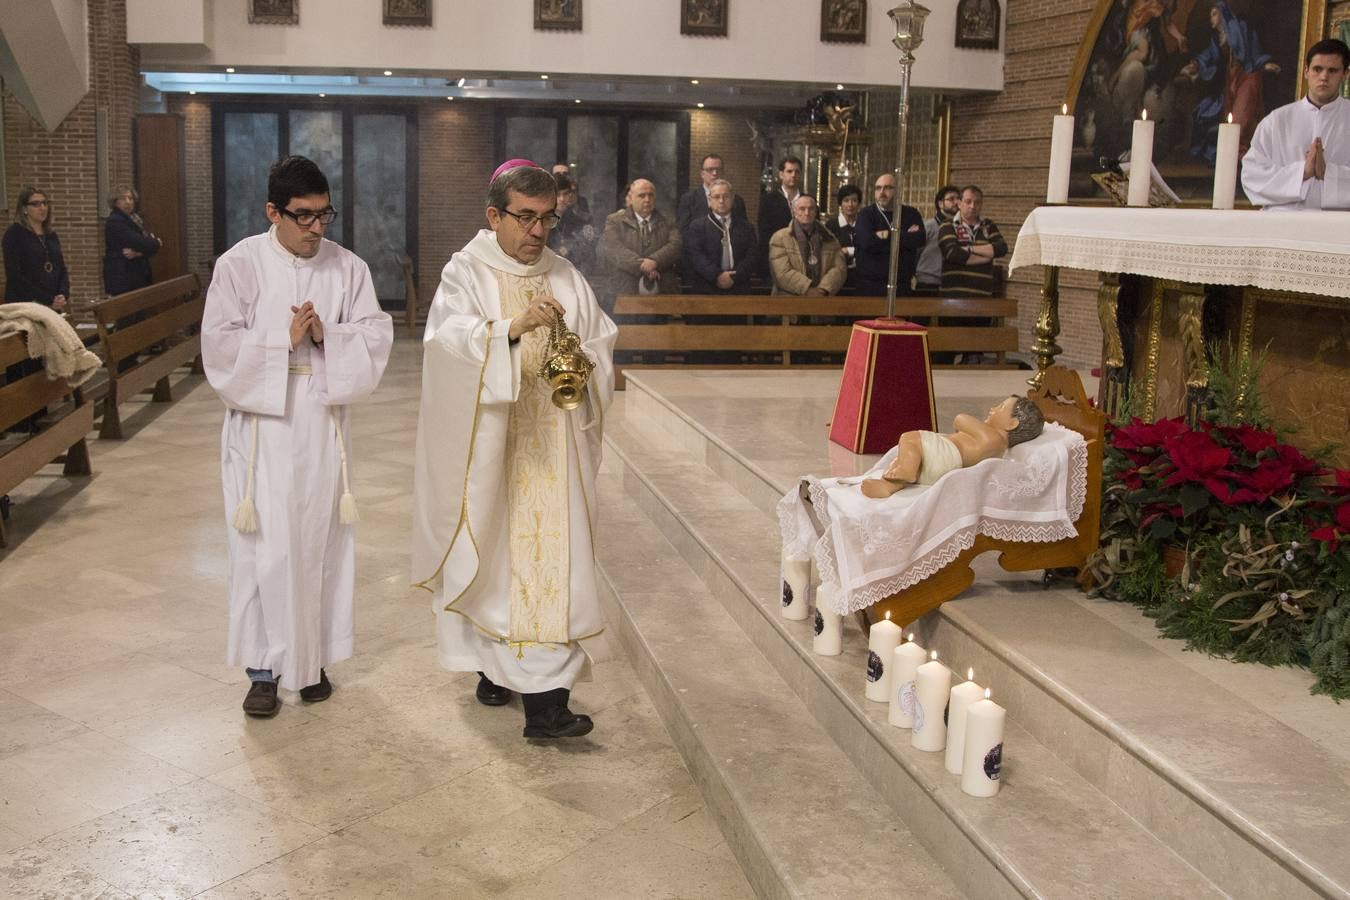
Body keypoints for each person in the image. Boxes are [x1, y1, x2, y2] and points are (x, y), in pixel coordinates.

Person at [411, 160, 617, 740]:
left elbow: (600, 339)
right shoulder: (466, 272)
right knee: (494, 563)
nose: (537, 233)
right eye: (524, 219)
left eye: (547, 219)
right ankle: (493, 667)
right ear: (493, 216)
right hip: (492, 453)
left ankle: (546, 706)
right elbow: (446, 346)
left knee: (546, 569)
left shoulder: (567, 274)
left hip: (554, 448)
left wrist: (583, 359)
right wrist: (510, 329)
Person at [202, 155, 393, 718]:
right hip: (261, 427)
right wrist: (280, 341)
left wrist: (326, 333)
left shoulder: (348, 267)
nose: (316, 228)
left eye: (324, 215)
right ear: (273, 212)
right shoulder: (238, 265)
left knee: (319, 544)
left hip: (319, 421)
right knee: (264, 545)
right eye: (303, 217)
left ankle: (312, 662)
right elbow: (217, 346)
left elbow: (375, 336)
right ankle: (263, 670)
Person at [860, 396, 1045, 498]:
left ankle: (906, 471)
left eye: (1000, 407)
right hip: (943, 464)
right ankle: (890, 485)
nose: (992, 409)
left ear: (1011, 424)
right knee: (908, 458)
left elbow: (960, 419)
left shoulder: (994, 438)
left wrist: (963, 426)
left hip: (947, 456)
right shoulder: (996, 446)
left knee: (910, 438)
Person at [1242, 39, 1350, 210]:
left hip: (1340, 229)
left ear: (1345, 74)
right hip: (1283, 226)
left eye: (1332, 70)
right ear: (1306, 71)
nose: (1324, 77)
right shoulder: (1276, 121)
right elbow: (1252, 177)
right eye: (1317, 69)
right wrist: (1303, 173)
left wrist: (1328, 173)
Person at [1180, 1, 1279, 163]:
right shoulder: (1218, 37)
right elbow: (1209, 55)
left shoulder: (1239, 27)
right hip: (1231, 79)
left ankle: (1239, 156)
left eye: (1214, 14)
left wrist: (1263, 63)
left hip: (1248, 76)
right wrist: (1196, 64)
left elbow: (1252, 47)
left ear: (1222, 12)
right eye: (1210, 15)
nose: (1211, 18)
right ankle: (1229, 157)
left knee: (1242, 117)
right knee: (1222, 117)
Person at [597, 178, 681, 302]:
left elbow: (676, 245)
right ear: (630, 198)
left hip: (660, 291)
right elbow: (612, 248)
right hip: (624, 291)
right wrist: (641, 265)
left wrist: (654, 261)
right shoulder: (615, 221)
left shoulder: (667, 220)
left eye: (650, 195)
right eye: (642, 195)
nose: (647, 200)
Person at [853, 173, 925, 297]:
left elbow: (919, 239)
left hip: (901, 285)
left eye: (887, 188)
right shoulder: (865, 215)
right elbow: (867, 242)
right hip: (870, 286)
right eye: (878, 188)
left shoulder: (911, 214)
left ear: (898, 190)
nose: (882, 192)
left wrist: (885, 236)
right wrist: (903, 237)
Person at [682, 178, 756, 294]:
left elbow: (752, 256)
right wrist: (717, 276)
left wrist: (734, 277)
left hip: (739, 287)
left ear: (732, 199)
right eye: (716, 197)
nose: (721, 201)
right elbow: (696, 257)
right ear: (709, 201)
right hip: (707, 287)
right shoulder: (697, 227)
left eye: (726, 196)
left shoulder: (746, 227)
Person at [3, 186, 69, 311]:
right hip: (25, 305)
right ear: (24, 209)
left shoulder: (50, 235)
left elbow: (61, 269)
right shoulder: (14, 234)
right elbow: (15, 276)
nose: (43, 208)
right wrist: (47, 299)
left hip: (52, 304)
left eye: (45, 203)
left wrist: (63, 293)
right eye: (36, 204)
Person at [768, 195, 846, 296]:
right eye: (802, 209)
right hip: (788, 301)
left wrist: (823, 289)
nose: (807, 213)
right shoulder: (780, 238)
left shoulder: (829, 238)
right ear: (794, 212)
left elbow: (839, 268)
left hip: (821, 300)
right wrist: (807, 289)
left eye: (811, 209)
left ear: (816, 212)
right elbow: (781, 273)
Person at [938, 185, 1007, 297]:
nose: (973, 206)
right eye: (968, 201)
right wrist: (986, 257)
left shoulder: (988, 225)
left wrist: (970, 249)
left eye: (977, 202)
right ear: (959, 203)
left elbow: (1002, 248)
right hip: (954, 297)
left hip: (983, 297)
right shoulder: (948, 225)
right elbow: (953, 253)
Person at [102, 187, 162, 297]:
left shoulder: (134, 220)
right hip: (124, 279)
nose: (128, 202)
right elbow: (140, 242)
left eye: (130, 198)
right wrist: (156, 242)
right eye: (123, 198)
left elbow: (147, 247)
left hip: (135, 278)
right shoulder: (116, 221)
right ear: (115, 202)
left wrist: (138, 253)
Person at [676, 154, 748, 236]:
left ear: (723, 172)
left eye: (718, 169)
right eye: (710, 169)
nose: (715, 173)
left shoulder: (736, 200)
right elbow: (683, 232)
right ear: (702, 174)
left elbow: (743, 231)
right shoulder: (688, 199)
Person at [757, 155, 803, 276]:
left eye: (797, 171)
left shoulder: (808, 200)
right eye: (789, 171)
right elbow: (764, 234)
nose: (793, 175)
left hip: (802, 260)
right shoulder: (768, 200)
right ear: (781, 174)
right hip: (777, 260)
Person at [546, 172, 597, 277]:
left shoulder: (582, 220)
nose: (562, 199)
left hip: (575, 275)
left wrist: (577, 277)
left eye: (565, 194)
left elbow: (589, 256)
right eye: (557, 194)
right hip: (547, 275)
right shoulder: (541, 222)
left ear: (571, 195)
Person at [915, 185, 960, 293]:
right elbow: (916, 252)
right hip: (928, 282)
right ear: (940, 204)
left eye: (958, 199)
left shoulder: (960, 227)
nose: (956, 202)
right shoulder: (929, 226)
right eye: (951, 199)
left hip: (952, 283)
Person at [826, 184, 863, 293]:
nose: (850, 205)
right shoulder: (831, 225)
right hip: (838, 278)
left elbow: (869, 249)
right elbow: (831, 253)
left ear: (859, 203)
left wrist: (848, 250)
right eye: (846, 200)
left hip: (861, 277)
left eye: (854, 200)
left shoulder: (864, 224)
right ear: (840, 203)